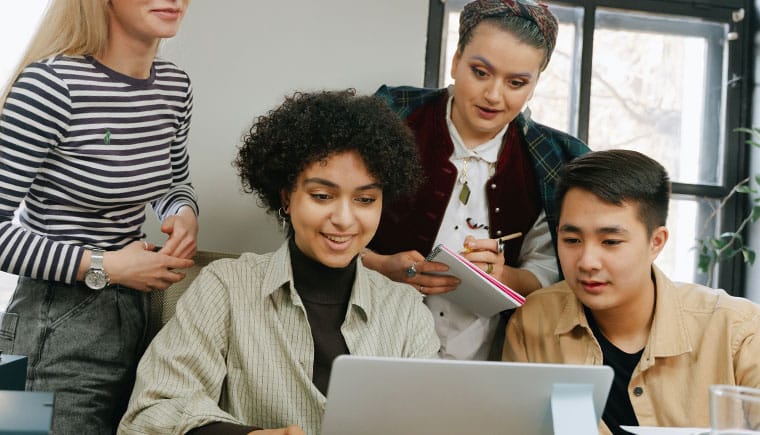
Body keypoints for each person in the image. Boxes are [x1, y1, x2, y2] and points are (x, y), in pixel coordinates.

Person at [117, 90, 440, 435]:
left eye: (365, 199)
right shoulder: (226, 287)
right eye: (322, 196)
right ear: (287, 197)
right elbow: (150, 415)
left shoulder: (405, 311)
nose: (344, 219)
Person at [0, 1, 198, 433]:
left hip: (133, 313)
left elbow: (172, 182)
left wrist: (182, 212)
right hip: (50, 322)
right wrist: (107, 266)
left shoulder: (174, 87)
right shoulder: (49, 86)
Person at [362, 0, 590, 361]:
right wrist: (380, 266)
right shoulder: (392, 116)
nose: (494, 95)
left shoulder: (557, 159)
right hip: (367, 344)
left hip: (484, 360)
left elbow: (548, 272)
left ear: (534, 85)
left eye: (516, 82)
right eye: (480, 72)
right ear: (455, 61)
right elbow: (322, 223)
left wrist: (505, 276)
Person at [503, 149, 760, 433]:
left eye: (611, 242)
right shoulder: (534, 320)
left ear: (656, 242)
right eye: (572, 239)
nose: (587, 262)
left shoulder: (736, 329)